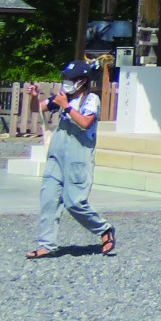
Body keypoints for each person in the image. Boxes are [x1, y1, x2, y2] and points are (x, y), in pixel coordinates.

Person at [28, 59, 114, 260]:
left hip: (79, 155)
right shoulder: (62, 96)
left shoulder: (90, 100)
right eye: (65, 78)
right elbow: (38, 108)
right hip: (57, 155)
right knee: (48, 198)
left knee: (74, 201)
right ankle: (46, 244)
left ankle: (104, 229)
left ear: (82, 81)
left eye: (70, 78)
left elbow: (85, 122)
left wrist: (66, 107)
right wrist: (34, 97)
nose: (66, 82)